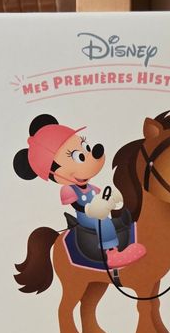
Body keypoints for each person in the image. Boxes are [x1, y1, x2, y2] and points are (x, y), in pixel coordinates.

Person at [13, 114, 146, 268]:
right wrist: (91, 209)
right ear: (54, 172)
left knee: (116, 218)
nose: (91, 154)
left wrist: (112, 198)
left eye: (86, 147)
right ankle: (112, 253)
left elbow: (101, 196)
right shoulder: (68, 189)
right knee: (102, 221)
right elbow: (77, 206)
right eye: (80, 157)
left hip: (97, 212)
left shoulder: (91, 187)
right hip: (86, 217)